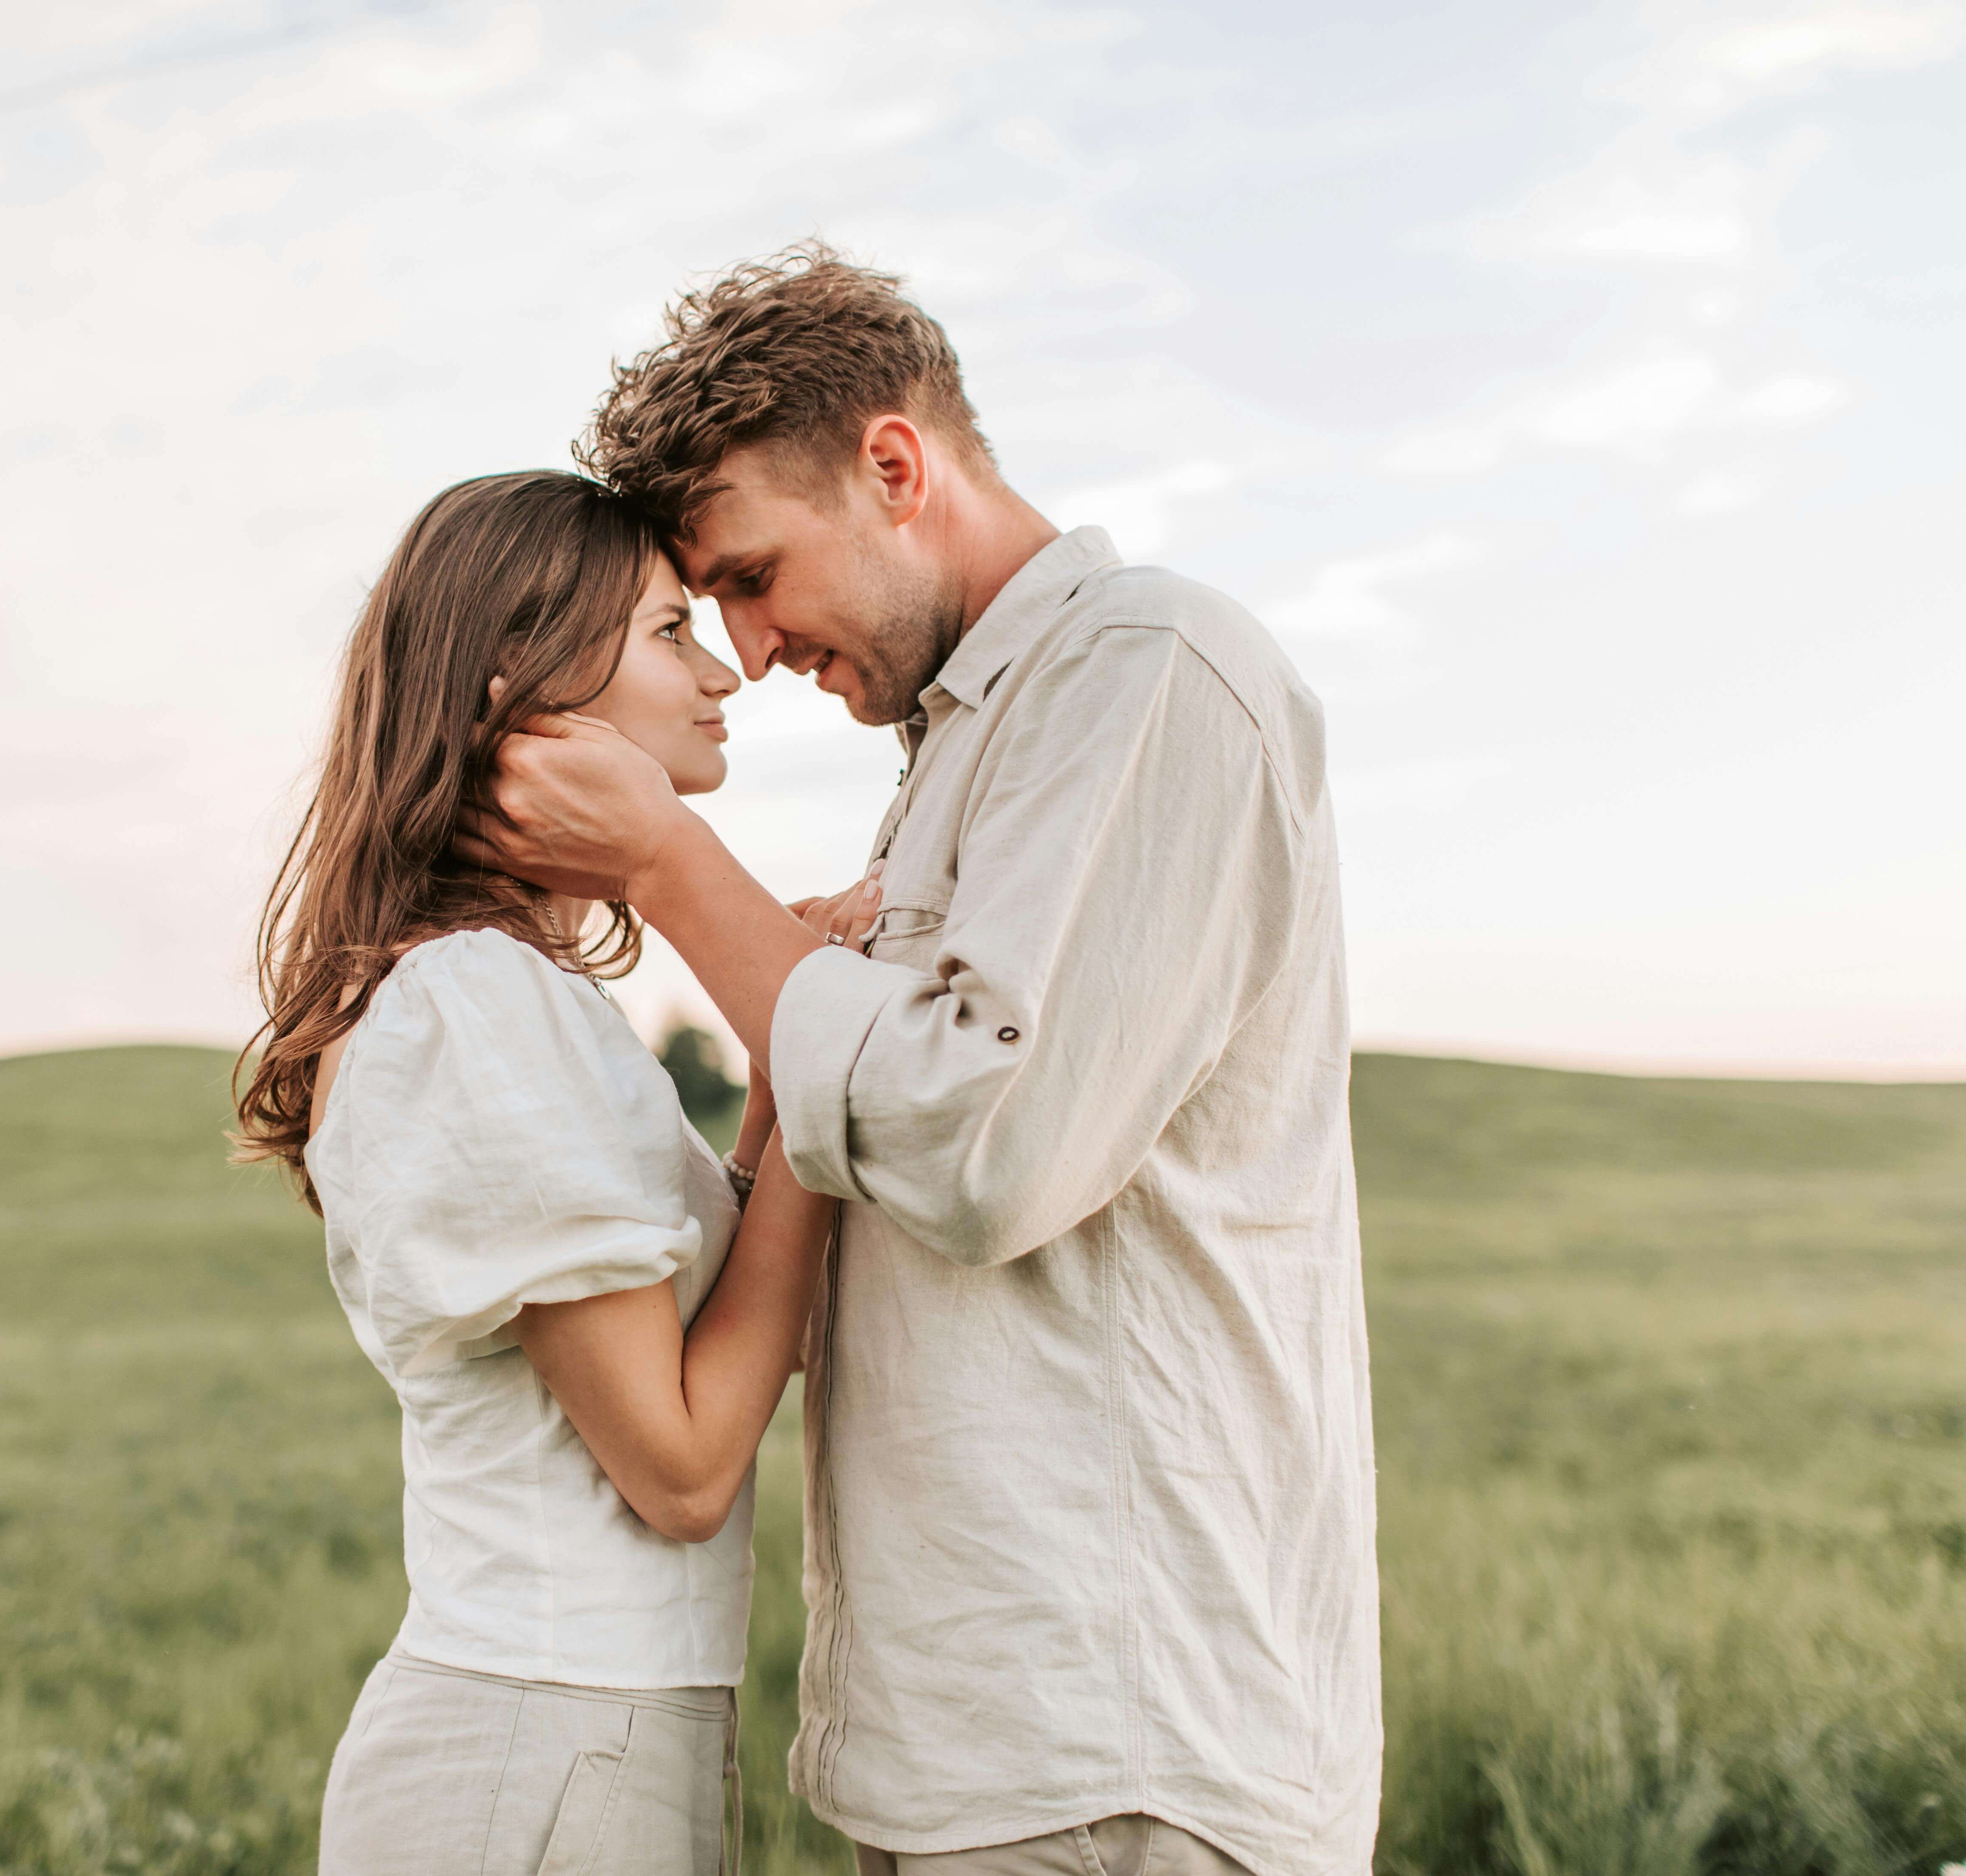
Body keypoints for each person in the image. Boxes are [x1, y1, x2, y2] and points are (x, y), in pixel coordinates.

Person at [460, 247, 1383, 1876]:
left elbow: (985, 1155)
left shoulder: (1144, 673)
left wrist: (678, 873)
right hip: (989, 1737)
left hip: (1118, 1732)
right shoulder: (968, 748)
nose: (741, 648)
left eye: (749, 573)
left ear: (894, 467)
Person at [233, 469, 852, 1876]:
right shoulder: (472, 1002)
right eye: (666, 633)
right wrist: (824, 1078)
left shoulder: (517, 998)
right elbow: (684, 1471)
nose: (721, 675)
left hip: (591, 1732)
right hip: (540, 1744)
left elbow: (732, 1333)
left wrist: (782, 1091)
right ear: (526, 698)